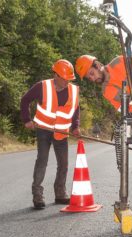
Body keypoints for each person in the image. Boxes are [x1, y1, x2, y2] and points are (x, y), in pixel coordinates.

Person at [20, 59, 81, 209]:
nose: (67, 82)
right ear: (55, 75)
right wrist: (27, 120)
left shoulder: (74, 90)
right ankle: (37, 196)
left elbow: (76, 109)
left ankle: (60, 194)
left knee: (64, 164)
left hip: (61, 133)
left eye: (69, 79)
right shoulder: (42, 86)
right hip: (44, 130)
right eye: (64, 79)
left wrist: (75, 126)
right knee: (42, 161)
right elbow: (25, 100)